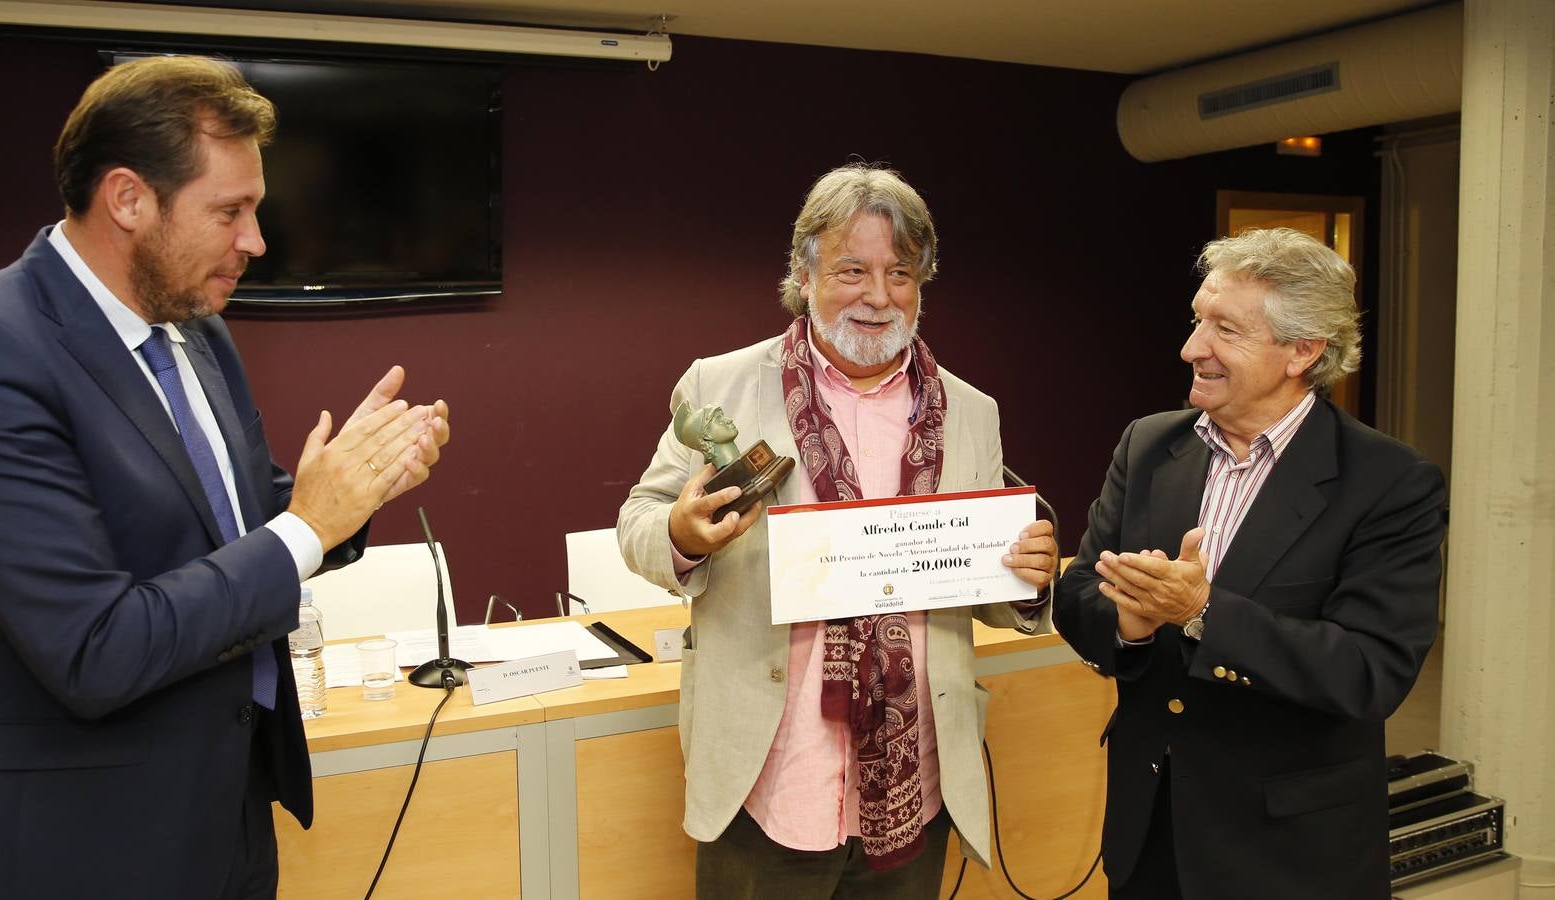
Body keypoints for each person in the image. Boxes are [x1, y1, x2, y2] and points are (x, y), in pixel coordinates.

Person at [0, 56, 450, 899]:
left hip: (226, 817)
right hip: (79, 847)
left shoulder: (195, 328)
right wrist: (307, 525)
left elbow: (239, 522)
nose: (255, 242)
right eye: (230, 211)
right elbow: (93, 649)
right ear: (128, 199)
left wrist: (350, 493)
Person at [618, 163, 1057, 898]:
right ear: (805, 270)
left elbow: (976, 578)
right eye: (853, 270)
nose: (879, 298)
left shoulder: (970, 411)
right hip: (768, 775)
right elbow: (638, 523)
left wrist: (1023, 573)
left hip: (914, 776)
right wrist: (683, 533)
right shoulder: (717, 386)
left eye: (901, 273)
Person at [1053, 228, 1446, 899]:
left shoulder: (1388, 481)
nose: (1190, 349)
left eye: (1223, 329)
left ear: (1303, 350)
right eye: (1196, 321)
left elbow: (1367, 674)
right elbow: (1082, 592)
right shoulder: (1149, 445)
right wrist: (1131, 622)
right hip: (1148, 835)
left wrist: (1202, 612)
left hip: (1287, 856)